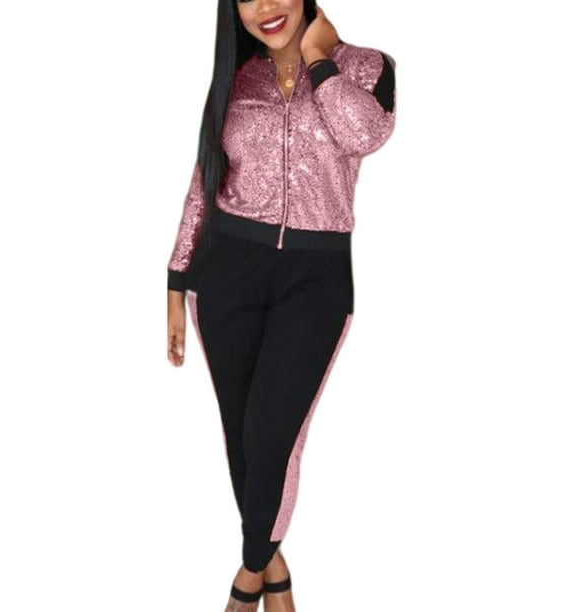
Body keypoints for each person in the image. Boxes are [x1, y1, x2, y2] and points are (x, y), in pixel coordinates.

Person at [166, 1, 396, 609]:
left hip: (315, 280)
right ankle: (277, 574)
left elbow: (366, 136)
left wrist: (320, 59)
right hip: (227, 274)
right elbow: (204, 180)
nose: (265, 6)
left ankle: (248, 578)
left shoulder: (367, 67)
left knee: (274, 438)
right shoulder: (237, 79)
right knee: (243, 440)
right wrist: (176, 279)